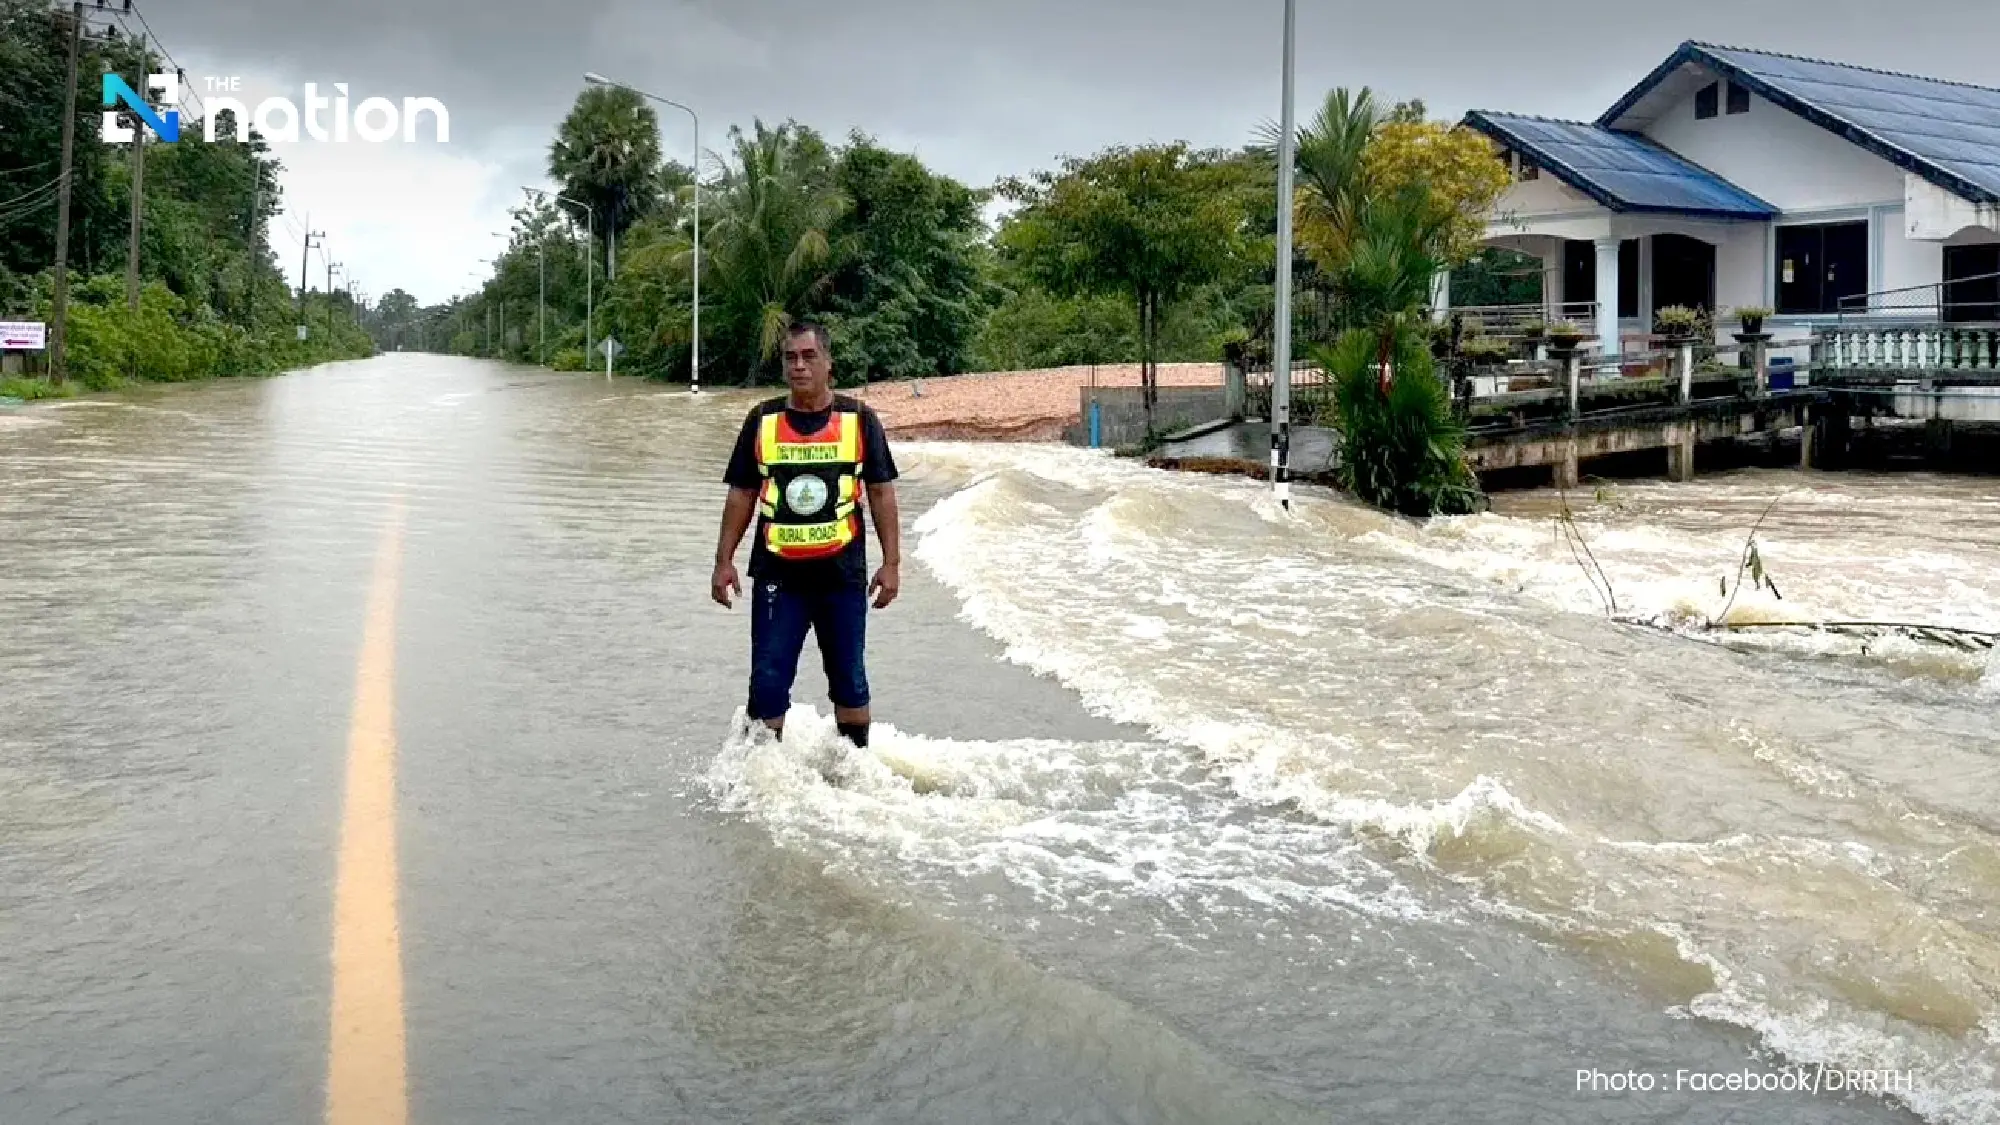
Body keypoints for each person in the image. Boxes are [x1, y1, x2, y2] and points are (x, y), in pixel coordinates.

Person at [712, 320, 901, 749]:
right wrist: (723, 561)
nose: (799, 366)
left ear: (829, 364)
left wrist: (892, 564)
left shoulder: (860, 419)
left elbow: (881, 493)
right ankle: (760, 783)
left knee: (850, 680)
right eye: (790, 358)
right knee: (767, 682)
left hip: (842, 575)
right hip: (780, 578)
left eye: (809, 356)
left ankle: (854, 774)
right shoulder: (762, 420)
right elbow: (742, 493)